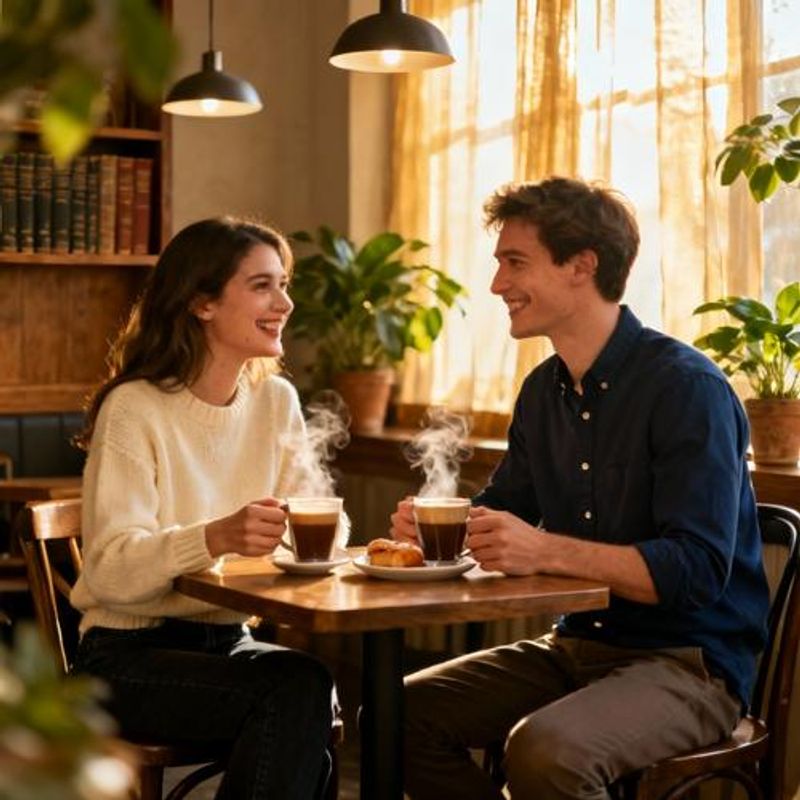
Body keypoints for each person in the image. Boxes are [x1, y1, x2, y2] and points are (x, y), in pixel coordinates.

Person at [390, 177, 770, 799]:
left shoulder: (686, 389)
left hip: (689, 665)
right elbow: (505, 509)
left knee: (546, 752)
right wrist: (443, 529)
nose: (497, 285)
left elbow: (696, 572)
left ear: (582, 266)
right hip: (577, 646)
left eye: (515, 263)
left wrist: (542, 551)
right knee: (394, 714)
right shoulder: (544, 392)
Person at [70, 217, 335, 799]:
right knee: (295, 694)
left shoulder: (276, 400)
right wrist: (214, 537)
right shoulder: (135, 408)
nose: (285, 302)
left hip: (228, 640)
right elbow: (111, 571)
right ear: (201, 303)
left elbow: (316, 533)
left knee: (309, 687)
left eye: (283, 283)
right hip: (124, 656)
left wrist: (320, 536)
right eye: (263, 285)